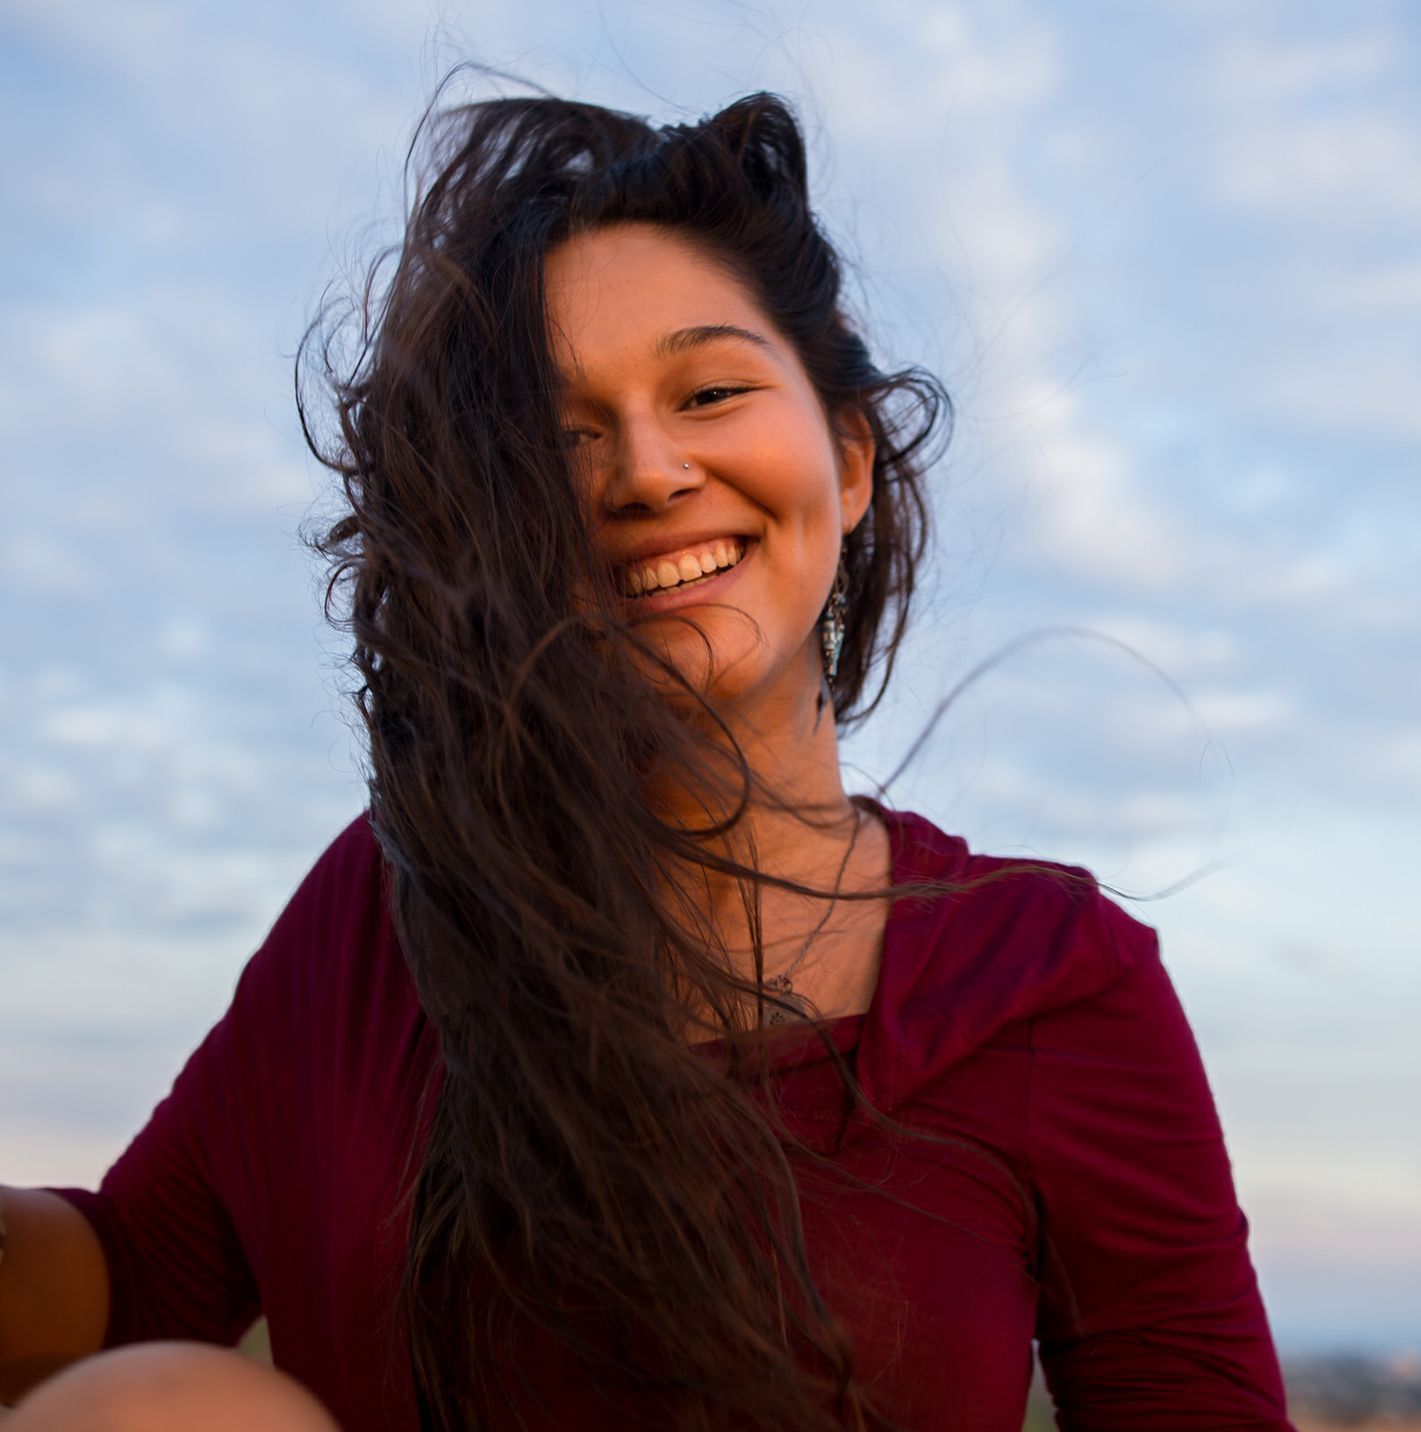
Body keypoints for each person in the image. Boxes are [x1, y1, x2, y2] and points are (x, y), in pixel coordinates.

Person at [0, 88, 1297, 1431]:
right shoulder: (384, 919)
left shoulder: (1047, 980)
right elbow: (124, 1290)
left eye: (711, 391)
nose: (645, 469)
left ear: (850, 460)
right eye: (557, 437)